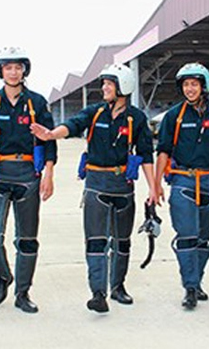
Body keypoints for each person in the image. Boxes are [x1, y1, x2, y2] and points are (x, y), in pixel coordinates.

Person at [31, 63, 156, 313]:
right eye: (104, 83)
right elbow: (73, 125)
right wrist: (51, 134)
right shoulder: (95, 112)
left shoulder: (137, 118)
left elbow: (145, 155)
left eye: (109, 83)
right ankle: (98, 293)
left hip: (123, 187)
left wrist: (153, 188)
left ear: (123, 86)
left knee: (122, 242)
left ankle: (118, 287)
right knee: (96, 241)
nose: (104, 88)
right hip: (96, 185)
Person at [0, 47, 56, 314]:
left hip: (28, 177)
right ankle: (3, 276)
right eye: (8, 67)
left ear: (24, 71)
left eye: (18, 67)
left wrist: (49, 175)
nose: (13, 72)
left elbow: (49, 140)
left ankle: (22, 293)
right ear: (0, 71)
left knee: (27, 240)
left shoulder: (37, 102)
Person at [154, 62, 209, 310]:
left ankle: (196, 281)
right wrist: (156, 185)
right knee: (187, 236)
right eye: (186, 85)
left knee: (204, 239)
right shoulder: (174, 116)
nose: (189, 89)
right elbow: (163, 151)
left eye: (194, 84)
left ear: (204, 86)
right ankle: (190, 287)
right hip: (183, 180)